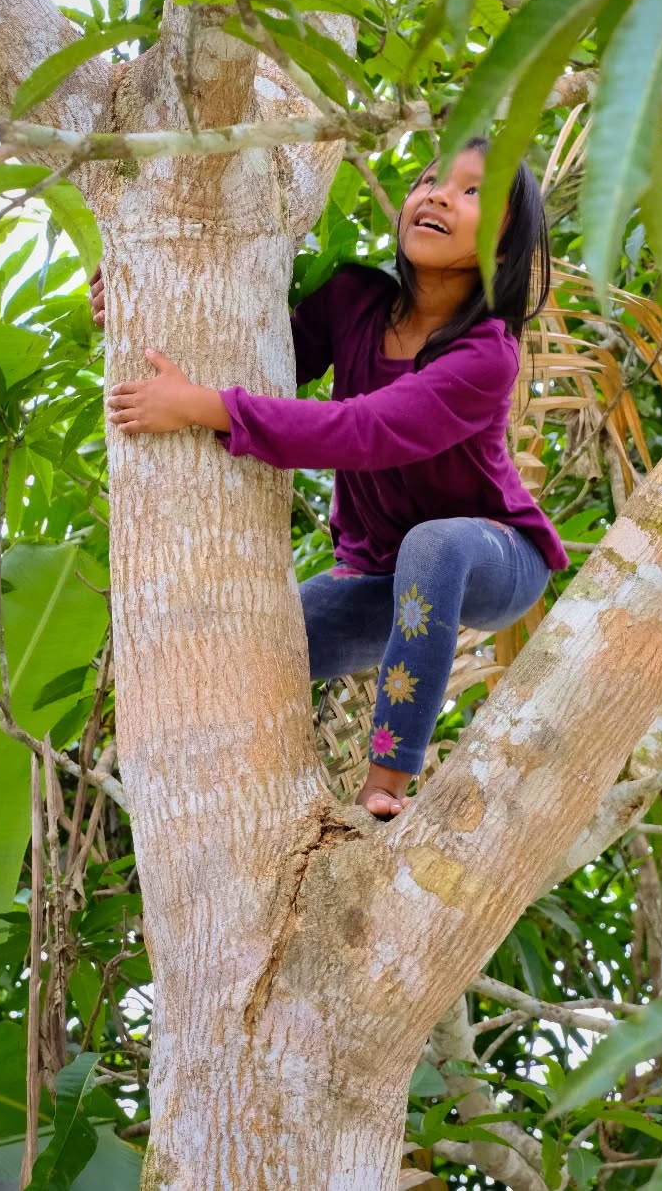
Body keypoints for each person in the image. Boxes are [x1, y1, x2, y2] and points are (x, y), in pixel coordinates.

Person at [95, 138, 568, 819]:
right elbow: (254, 356)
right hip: (375, 574)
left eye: (472, 193)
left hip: (496, 557)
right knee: (246, 652)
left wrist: (204, 408)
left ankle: (385, 784)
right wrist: (142, 300)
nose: (436, 195)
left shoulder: (485, 354)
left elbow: (363, 430)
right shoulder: (352, 298)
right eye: (430, 181)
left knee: (434, 545)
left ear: (502, 248)